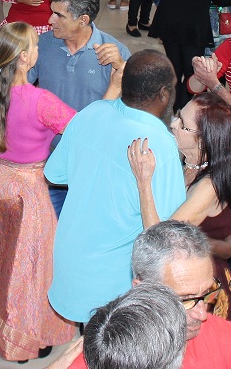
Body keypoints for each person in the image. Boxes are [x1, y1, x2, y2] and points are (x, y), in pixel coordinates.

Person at [0, 22, 77, 361]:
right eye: (35, 46)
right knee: (32, 264)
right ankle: (27, 336)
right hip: (30, 188)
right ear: (24, 57)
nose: (38, 50)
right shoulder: (41, 101)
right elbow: (81, 129)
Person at [56, 221, 231, 369]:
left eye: (207, 293)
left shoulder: (221, 336)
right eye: (186, 298)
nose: (203, 314)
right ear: (141, 289)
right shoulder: (108, 356)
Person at [46, 50, 187, 323]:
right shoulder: (159, 144)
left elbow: (54, 174)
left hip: (70, 266)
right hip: (113, 286)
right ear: (164, 94)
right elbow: (166, 233)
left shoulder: (93, 111)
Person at [128, 92, 231, 322]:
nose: (173, 124)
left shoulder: (209, 186)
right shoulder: (188, 159)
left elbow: (159, 240)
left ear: (202, 140)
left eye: (183, 124)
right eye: (178, 115)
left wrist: (144, 182)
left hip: (197, 286)